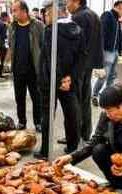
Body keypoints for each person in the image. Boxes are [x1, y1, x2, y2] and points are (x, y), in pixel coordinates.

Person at [36, 0, 83, 158]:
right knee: (71, 112)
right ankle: (72, 146)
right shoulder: (77, 29)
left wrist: (59, 80)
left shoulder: (51, 31)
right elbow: (82, 57)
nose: (45, 16)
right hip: (70, 80)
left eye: (48, 12)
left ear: (57, 11)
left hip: (50, 80)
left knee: (48, 114)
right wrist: (69, 78)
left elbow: (51, 59)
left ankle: (45, 150)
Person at [66, 0, 104, 142]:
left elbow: (75, 45)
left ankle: (74, 136)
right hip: (88, 64)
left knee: (74, 101)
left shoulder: (78, 17)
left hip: (78, 66)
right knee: (84, 100)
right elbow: (99, 42)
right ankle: (85, 134)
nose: (66, 4)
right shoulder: (94, 15)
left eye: (68, 1)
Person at [92, 1, 122, 105]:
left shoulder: (117, 20)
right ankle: (95, 95)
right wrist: (99, 51)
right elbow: (101, 33)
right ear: (119, 7)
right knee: (104, 75)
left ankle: (107, 96)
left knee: (112, 76)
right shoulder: (107, 15)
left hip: (114, 52)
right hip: (107, 52)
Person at [8, 0, 44, 130]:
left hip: (33, 69)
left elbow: (43, 45)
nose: (13, 13)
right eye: (13, 11)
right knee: (19, 97)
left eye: (15, 10)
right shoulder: (12, 26)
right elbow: (11, 46)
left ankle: (38, 122)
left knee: (36, 97)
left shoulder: (37, 25)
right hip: (18, 69)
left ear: (24, 11)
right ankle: (22, 121)